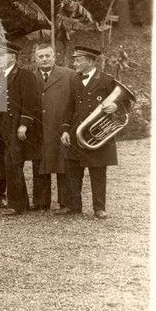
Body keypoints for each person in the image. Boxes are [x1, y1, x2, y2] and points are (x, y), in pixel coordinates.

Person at [60, 45, 126, 219]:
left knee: (97, 171)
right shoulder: (75, 80)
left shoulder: (106, 80)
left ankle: (99, 208)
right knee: (73, 170)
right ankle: (74, 206)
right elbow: (69, 106)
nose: (75, 63)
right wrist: (65, 129)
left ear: (90, 61)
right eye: (75, 60)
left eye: (78, 60)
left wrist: (116, 106)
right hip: (77, 131)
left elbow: (126, 102)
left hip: (98, 133)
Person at [0, 41, 40, 216]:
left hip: (15, 126)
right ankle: (21, 202)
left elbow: (30, 102)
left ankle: (16, 205)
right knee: (8, 163)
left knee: (13, 163)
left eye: (1, 55)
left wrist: (24, 124)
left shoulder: (24, 75)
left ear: (13, 57)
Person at [32, 43, 77, 211]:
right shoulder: (30, 76)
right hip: (38, 128)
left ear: (54, 57)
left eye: (47, 56)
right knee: (39, 164)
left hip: (60, 126)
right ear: (35, 59)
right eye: (41, 56)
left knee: (63, 164)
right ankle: (41, 202)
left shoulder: (69, 75)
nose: (44, 59)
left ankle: (66, 203)